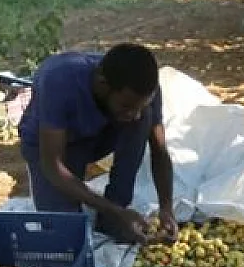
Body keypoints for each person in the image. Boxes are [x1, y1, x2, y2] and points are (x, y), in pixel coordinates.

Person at [18, 42, 176, 245]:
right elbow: (53, 166)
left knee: (145, 117)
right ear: (102, 83)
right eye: (126, 106)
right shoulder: (59, 81)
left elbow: (159, 150)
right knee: (65, 234)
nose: (133, 114)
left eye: (137, 106)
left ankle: (113, 212)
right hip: (52, 146)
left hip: (101, 133)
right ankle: (113, 213)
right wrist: (116, 211)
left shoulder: (144, 90)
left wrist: (166, 207)